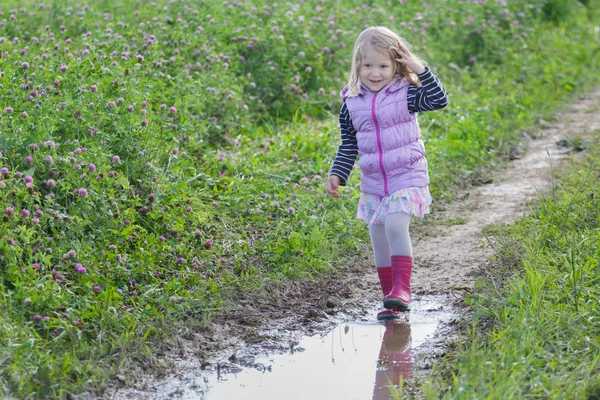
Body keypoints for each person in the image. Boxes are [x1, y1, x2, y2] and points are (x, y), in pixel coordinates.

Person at [326, 26, 448, 320]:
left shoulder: (407, 94)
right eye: (367, 65)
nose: (375, 73)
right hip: (374, 183)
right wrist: (338, 174)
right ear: (357, 65)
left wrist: (420, 69)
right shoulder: (351, 103)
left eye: (383, 65)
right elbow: (349, 144)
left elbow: (439, 99)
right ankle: (391, 301)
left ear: (396, 66)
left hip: (407, 175)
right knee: (377, 237)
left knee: (395, 226)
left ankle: (402, 289)